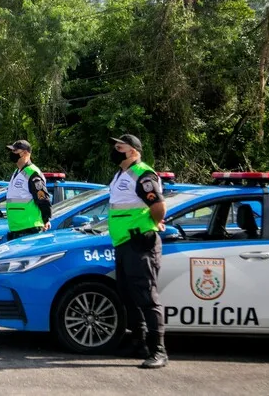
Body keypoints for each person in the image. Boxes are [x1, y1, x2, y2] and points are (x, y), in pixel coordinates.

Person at [108, 134, 168, 369]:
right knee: (128, 295)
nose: (115, 150)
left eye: (119, 147)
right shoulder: (120, 175)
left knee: (147, 297)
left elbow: (158, 206)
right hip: (123, 243)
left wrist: (153, 224)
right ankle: (138, 343)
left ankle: (158, 351)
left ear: (133, 151)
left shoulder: (142, 173)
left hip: (139, 243)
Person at [4, 140, 52, 240]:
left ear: (25, 153)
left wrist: (46, 219)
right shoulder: (17, 172)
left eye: (15, 151)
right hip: (17, 228)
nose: (12, 154)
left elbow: (43, 198)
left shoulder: (32, 173)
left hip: (29, 228)